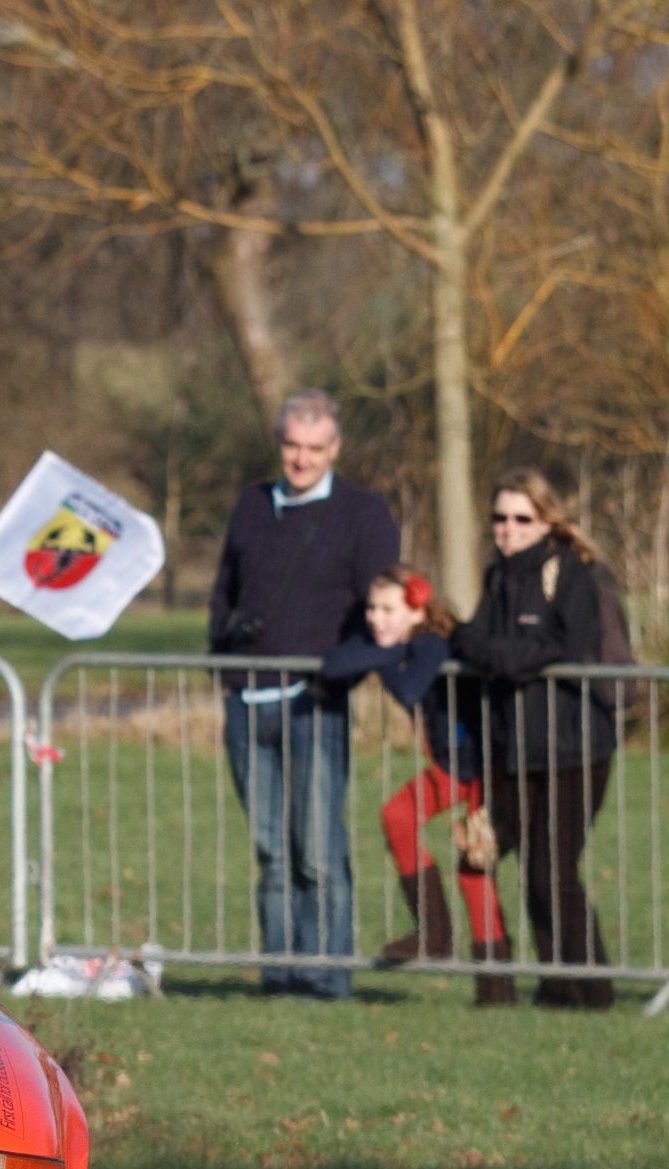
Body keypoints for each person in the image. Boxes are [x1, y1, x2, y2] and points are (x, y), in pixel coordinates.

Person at [208, 388, 402, 998]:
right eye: (291, 445)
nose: (301, 459)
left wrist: (336, 675)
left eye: (314, 448)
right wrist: (226, 670)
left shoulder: (364, 514)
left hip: (315, 706)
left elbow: (382, 610)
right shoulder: (250, 505)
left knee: (318, 850)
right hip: (248, 704)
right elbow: (224, 590)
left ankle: (325, 976)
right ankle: (281, 972)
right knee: (270, 850)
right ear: (279, 443)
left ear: (335, 448)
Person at [451, 470, 618, 1011]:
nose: (508, 528)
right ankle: (556, 985)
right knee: (531, 868)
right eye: (500, 518)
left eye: (521, 518)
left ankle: (590, 990)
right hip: (518, 747)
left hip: (575, 747)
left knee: (554, 868)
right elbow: (474, 638)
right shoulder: (498, 576)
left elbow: (545, 649)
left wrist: (496, 651)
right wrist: (498, 650)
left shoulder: (572, 574)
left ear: (547, 520)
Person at [320, 568, 509, 1001]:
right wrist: (382, 648)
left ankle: (494, 983)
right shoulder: (402, 643)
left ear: (418, 605)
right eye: (371, 608)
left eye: (388, 609)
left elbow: (408, 687)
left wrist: (382, 654)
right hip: (452, 765)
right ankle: (435, 932)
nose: (375, 618)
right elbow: (334, 665)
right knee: (398, 816)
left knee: (473, 869)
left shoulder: (430, 643)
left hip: (477, 768)